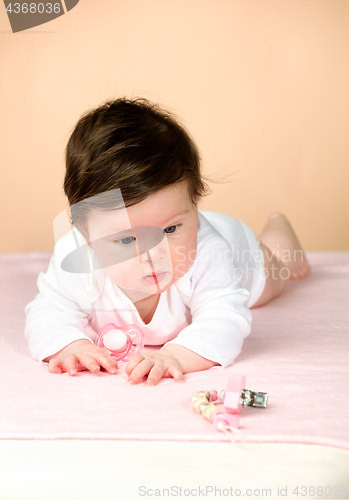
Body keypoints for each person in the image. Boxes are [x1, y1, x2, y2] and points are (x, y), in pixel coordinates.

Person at [24, 97, 311, 386]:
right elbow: (49, 311)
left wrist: (176, 355)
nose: (153, 254)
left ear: (195, 197)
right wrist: (71, 345)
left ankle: (278, 227)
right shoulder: (76, 259)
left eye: (171, 229)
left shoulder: (210, 253)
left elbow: (224, 319)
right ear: (85, 234)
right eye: (126, 239)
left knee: (278, 273)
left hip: (241, 251)